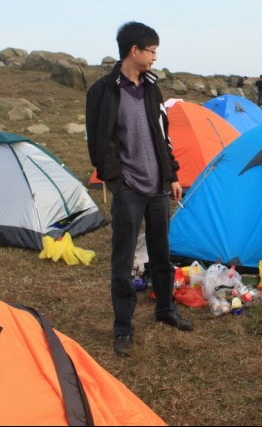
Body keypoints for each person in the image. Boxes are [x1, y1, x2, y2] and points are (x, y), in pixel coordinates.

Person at [86, 21, 193, 357]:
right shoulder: (103, 92)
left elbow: (163, 135)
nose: (155, 57)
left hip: (158, 187)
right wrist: (117, 182)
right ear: (134, 51)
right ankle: (123, 327)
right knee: (123, 261)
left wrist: (172, 175)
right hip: (129, 189)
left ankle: (165, 309)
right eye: (152, 51)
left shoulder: (151, 88)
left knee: (162, 254)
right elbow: (97, 143)